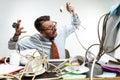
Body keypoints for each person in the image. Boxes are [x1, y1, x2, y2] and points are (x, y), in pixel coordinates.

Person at [8, 2, 80, 59]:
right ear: (42, 32)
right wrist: (16, 35)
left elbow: (75, 24)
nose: (54, 28)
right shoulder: (35, 39)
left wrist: (73, 12)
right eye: (50, 27)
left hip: (63, 68)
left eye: (53, 24)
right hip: (46, 70)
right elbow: (11, 46)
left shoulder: (62, 31)